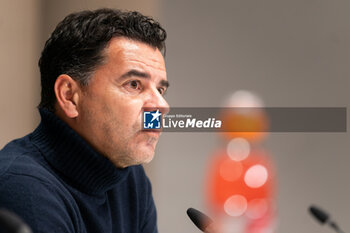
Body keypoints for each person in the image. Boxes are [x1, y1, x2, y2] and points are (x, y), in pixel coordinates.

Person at [0, 8, 169, 233]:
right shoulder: (23, 187)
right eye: (134, 84)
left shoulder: (130, 179)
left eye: (160, 89)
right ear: (69, 96)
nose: (161, 106)